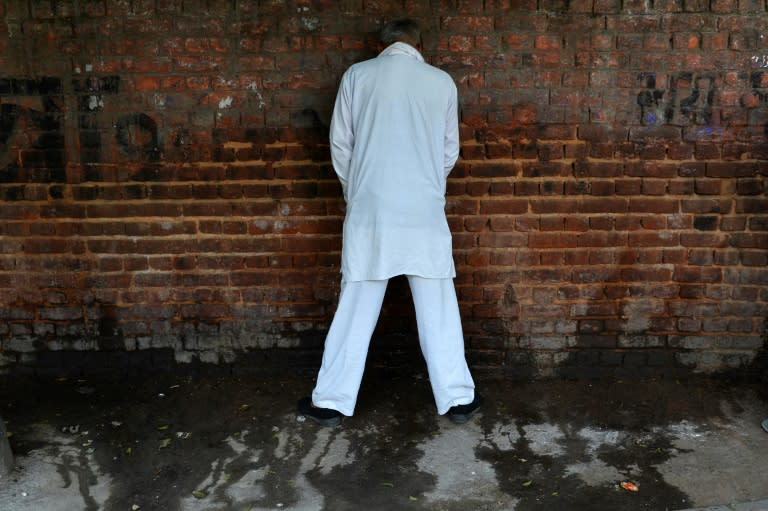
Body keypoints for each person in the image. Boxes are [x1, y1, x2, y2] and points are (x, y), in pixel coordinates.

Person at [297, 18, 480, 427]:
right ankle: (458, 399)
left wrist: (358, 191)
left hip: (371, 211)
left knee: (356, 305)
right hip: (423, 212)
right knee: (439, 307)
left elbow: (340, 145)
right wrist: (427, 185)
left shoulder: (357, 76)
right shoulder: (441, 82)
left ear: (380, 44)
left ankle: (330, 401)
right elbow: (449, 151)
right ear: (419, 43)